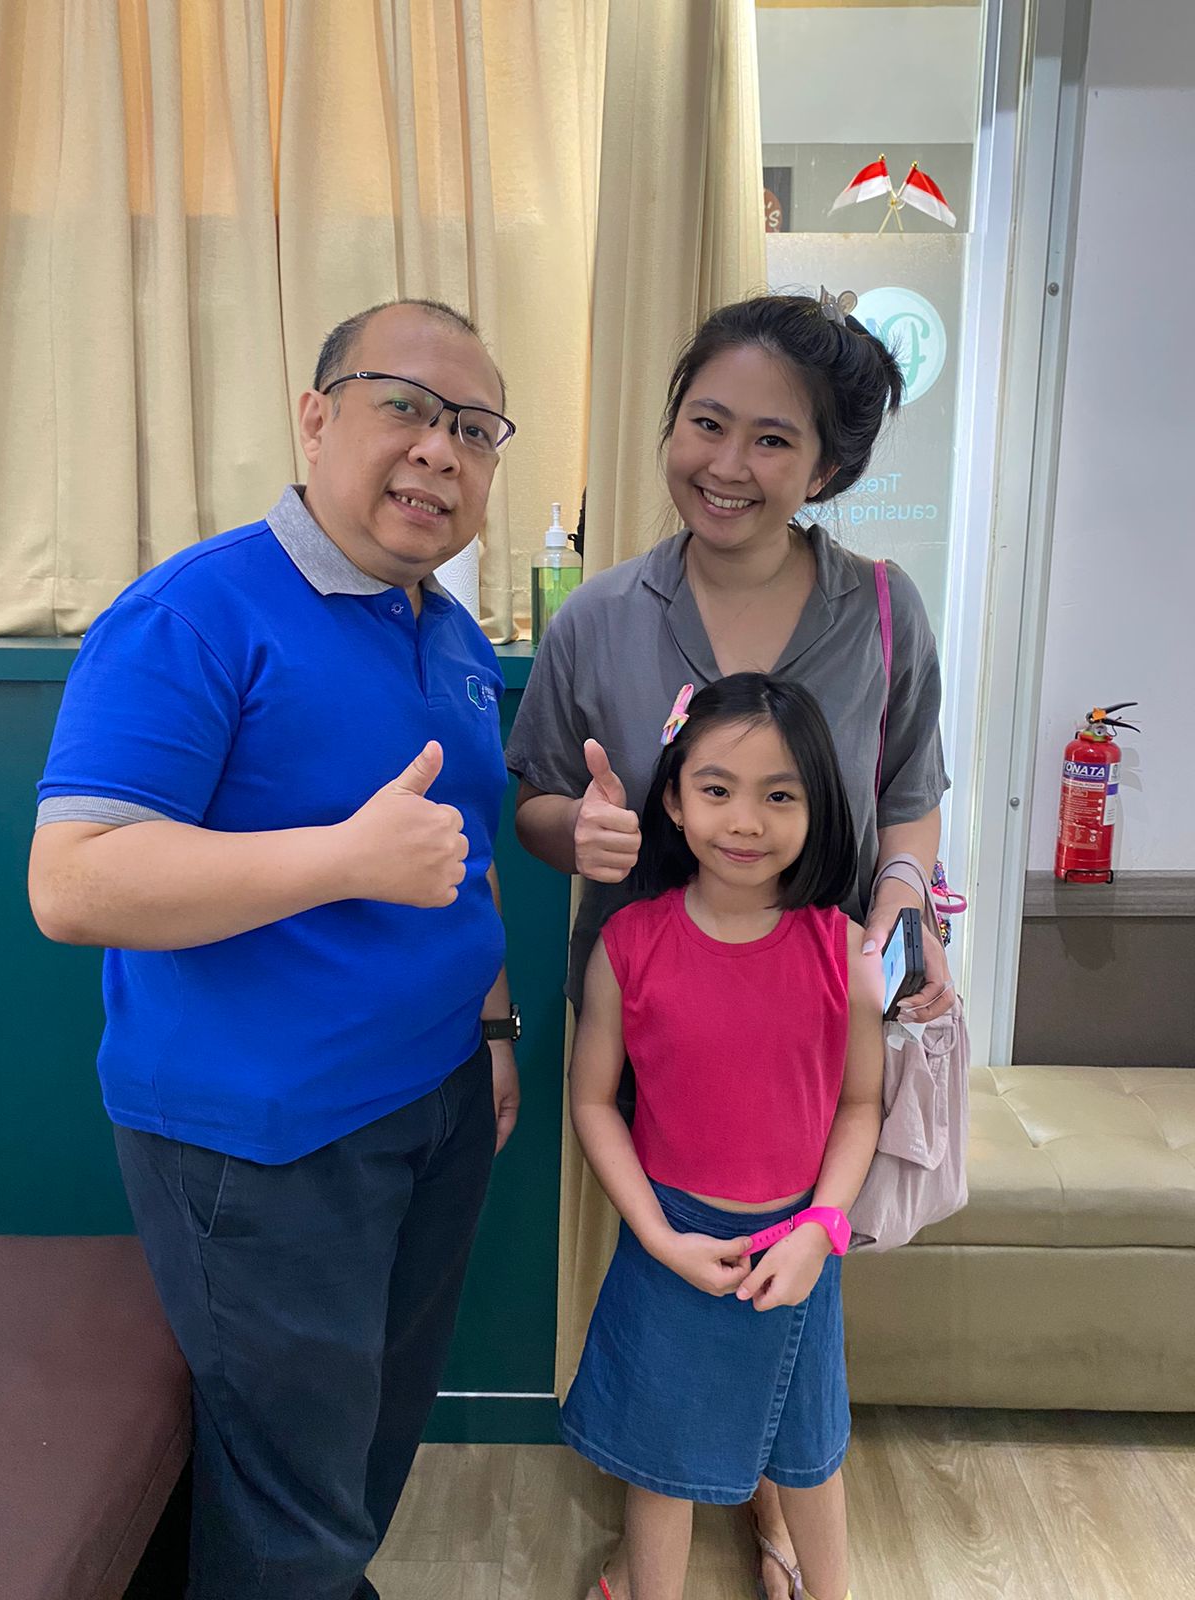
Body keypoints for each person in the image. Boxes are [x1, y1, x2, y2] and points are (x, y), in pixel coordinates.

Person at [28, 299, 523, 1600]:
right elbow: (72, 882)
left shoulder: (451, 633)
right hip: (263, 1147)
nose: (440, 449)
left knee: (363, 1448)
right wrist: (341, 860)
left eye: (475, 429)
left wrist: (492, 1028)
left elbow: (461, 851)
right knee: (290, 1499)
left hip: (436, 1103)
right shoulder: (193, 612)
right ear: (315, 417)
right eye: (405, 406)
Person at [504, 292, 953, 1596]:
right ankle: (666, 1494)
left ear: (828, 467)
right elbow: (534, 798)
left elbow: (912, 791)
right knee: (672, 1264)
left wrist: (902, 906)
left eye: (772, 439)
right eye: (706, 423)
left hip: (815, 1012)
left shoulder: (882, 610)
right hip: (647, 1010)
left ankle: (770, 1502)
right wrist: (578, 832)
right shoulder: (599, 617)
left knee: (796, 1259)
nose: (728, 464)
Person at [563, 673, 883, 1600]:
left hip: (801, 1244)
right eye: (717, 789)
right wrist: (659, 1237)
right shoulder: (629, 945)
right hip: (669, 1243)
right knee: (659, 1467)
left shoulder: (843, 950)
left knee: (811, 1458)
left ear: (817, 809)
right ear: (673, 798)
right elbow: (594, 1103)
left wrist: (822, 1228)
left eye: (780, 795)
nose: (746, 821)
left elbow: (861, 1105)